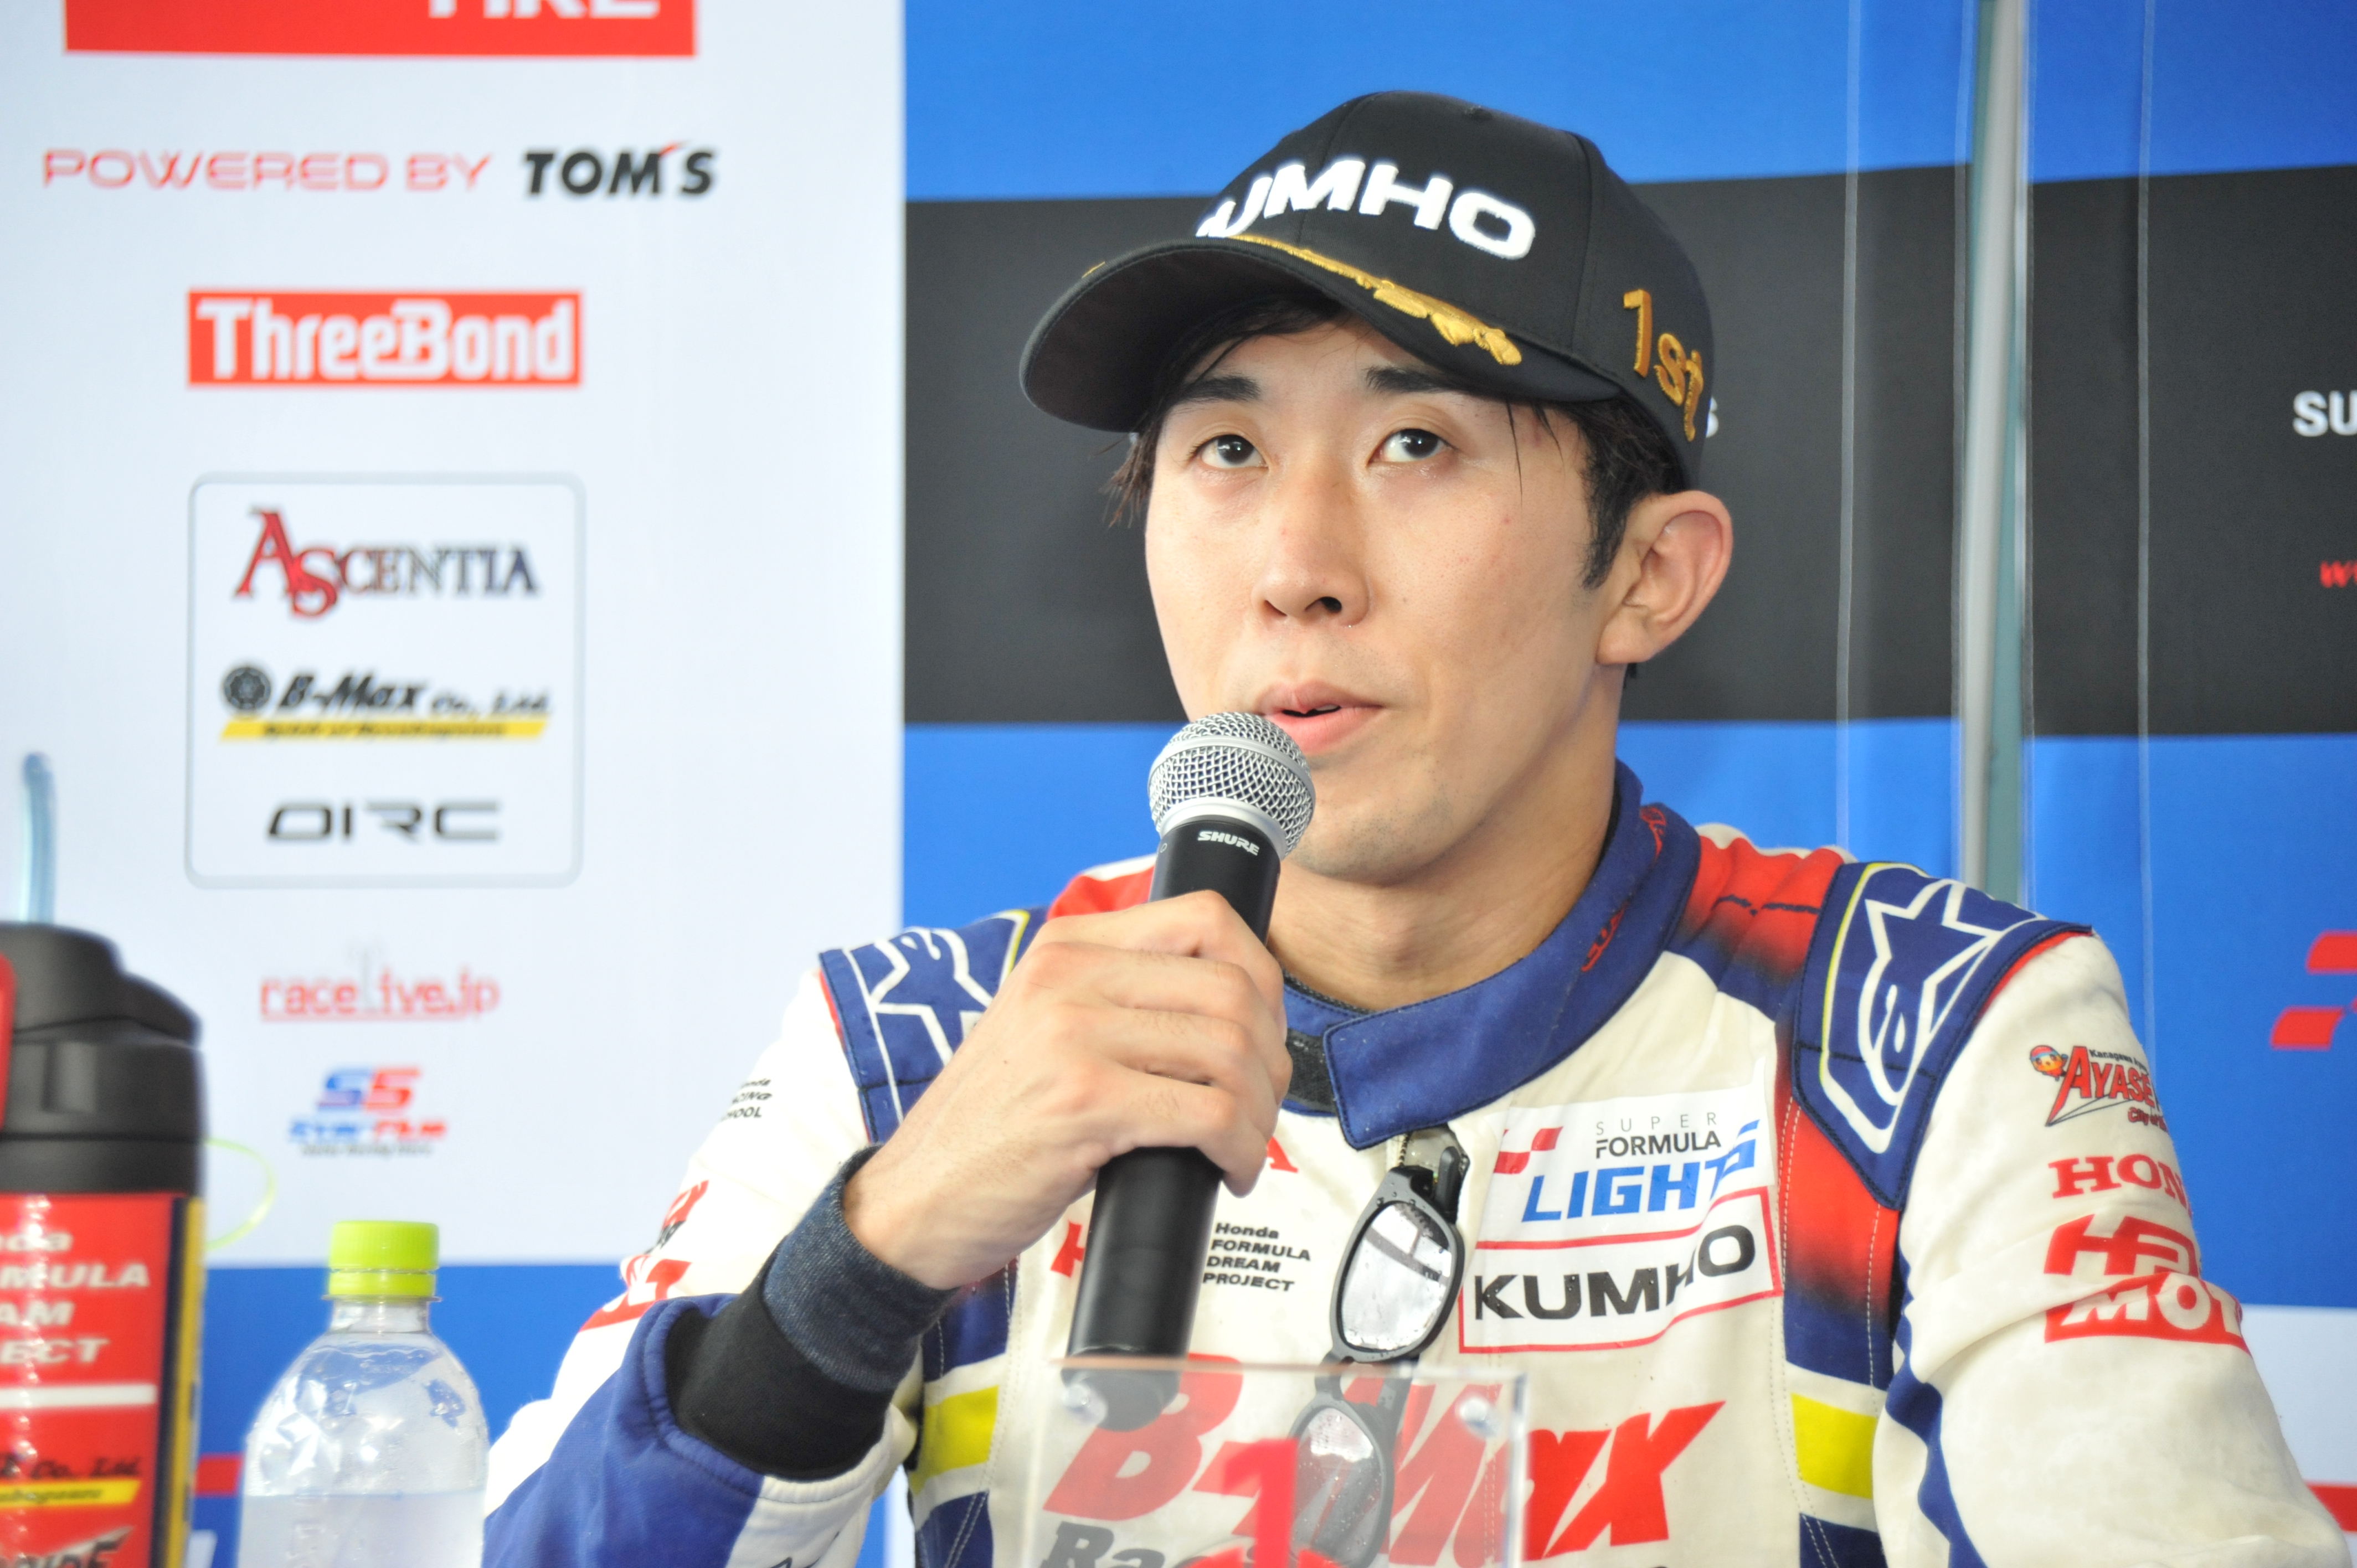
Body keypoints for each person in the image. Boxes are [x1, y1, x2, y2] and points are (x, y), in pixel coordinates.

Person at [483, 92, 2345, 1566]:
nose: (1295, 567)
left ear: (1649, 577)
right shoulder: (915, 1052)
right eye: (1226, 452)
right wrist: (872, 1256)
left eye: (1416, 447)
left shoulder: (1932, 1040)